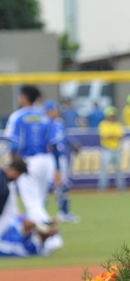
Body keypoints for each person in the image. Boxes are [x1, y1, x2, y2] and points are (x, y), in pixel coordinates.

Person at [3, 85, 60, 225]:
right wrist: (58, 169)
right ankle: (40, 240)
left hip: (27, 162)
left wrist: (13, 162)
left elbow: (14, 144)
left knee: (32, 203)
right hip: (46, 161)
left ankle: (52, 236)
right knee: (39, 202)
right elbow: (54, 145)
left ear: (24, 97)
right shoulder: (45, 117)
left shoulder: (18, 116)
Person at [44, 100, 80, 223]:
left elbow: (65, 136)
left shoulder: (59, 123)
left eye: (56, 109)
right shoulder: (45, 123)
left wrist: (73, 144)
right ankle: (40, 212)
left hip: (62, 158)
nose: (55, 111)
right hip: (48, 159)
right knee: (47, 186)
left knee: (64, 185)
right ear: (47, 111)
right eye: (53, 109)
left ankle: (64, 212)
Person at [98, 106, 126, 192]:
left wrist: (112, 136)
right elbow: (105, 135)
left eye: (113, 115)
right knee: (104, 170)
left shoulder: (117, 124)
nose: (111, 116)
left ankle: (121, 188)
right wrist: (113, 136)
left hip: (117, 149)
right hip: (107, 149)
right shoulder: (103, 124)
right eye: (110, 115)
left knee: (119, 170)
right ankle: (102, 188)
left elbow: (120, 135)